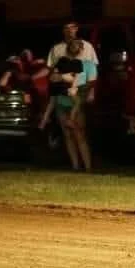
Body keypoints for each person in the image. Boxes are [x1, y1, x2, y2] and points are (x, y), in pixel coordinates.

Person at [51, 39, 97, 172]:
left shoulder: (89, 65)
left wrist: (78, 88)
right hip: (62, 100)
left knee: (79, 134)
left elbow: (91, 83)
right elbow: (53, 78)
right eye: (71, 48)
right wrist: (61, 78)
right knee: (68, 135)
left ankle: (88, 167)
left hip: (76, 101)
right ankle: (75, 166)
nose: (74, 52)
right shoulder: (63, 63)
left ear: (82, 50)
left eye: (77, 49)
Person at [38, 43, 84, 130]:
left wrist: (57, 77)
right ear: (79, 51)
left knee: (51, 104)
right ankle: (70, 120)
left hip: (54, 85)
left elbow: (55, 72)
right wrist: (72, 87)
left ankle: (42, 124)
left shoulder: (62, 59)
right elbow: (76, 78)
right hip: (63, 85)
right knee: (77, 101)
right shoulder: (78, 62)